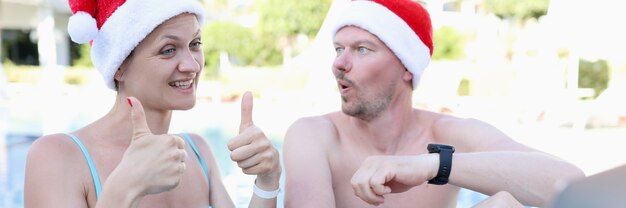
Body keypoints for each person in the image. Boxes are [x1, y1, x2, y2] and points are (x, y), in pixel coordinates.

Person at [283, 0, 584, 207]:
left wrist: (432, 165)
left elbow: (570, 184)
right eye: (338, 49)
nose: (339, 63)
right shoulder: (313, 136)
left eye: (362, 49)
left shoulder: (445, 135)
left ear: (406, 67)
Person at [24, 0, 280, 207]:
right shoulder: (57, 157)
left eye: (195, 44)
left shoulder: (198, 151)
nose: (192, 65)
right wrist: (126, 186)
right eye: (168, 49)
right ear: (119, 66)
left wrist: (267, 182)